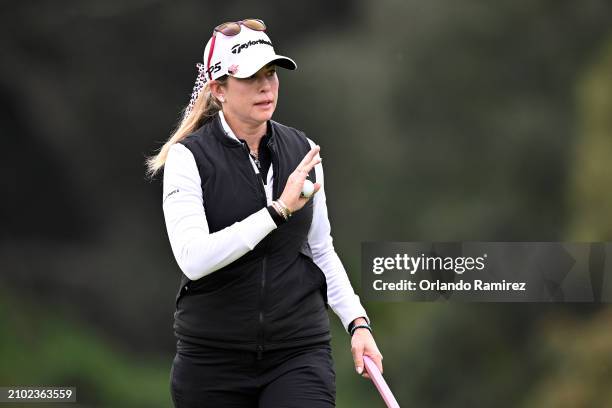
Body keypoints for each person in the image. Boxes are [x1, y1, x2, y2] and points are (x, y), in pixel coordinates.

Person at [146, 18, 383, 407]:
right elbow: (194, 259)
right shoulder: (188, 158)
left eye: (271, 74)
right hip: (212, 361)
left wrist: (357, 322)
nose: (266, 86)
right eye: (251, 77)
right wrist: (276, 212)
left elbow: (321, 250)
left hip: (298, 351)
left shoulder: (303, 150)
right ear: (219, 89)